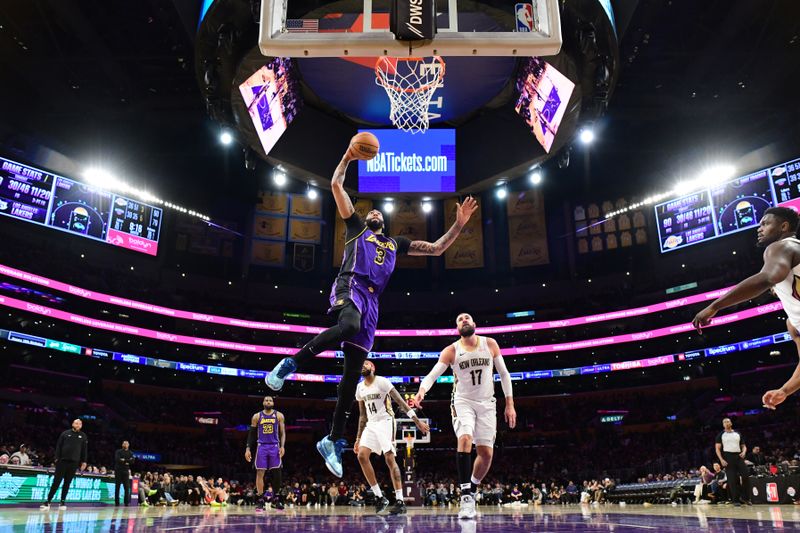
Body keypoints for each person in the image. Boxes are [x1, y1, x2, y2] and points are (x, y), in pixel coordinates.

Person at [265, 145, 478, 478]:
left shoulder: (395, 243)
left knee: (351, 379)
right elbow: (336, 186)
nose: (375, 212)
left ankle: (333, 440)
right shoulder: (355, 228)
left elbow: (436, 249)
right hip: (351, 286)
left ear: (385, 222)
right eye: (372, 211)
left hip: (373, 302)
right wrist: (348, 157)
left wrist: (459, 225)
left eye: (379, 213)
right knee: (348, 324)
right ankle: (292, 363)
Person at [692, 207, 800, 409]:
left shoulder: (781, 246)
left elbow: (767, 278)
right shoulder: (793, 322)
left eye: (765, 223)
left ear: (784, 226)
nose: (759, 228)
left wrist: (715, 306)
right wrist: (784, 390)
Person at [414, 312, 516, 519]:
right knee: (465, 438)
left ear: (474, 323)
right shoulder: (452, 350)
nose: (464, 320)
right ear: (457, 328)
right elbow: (433, 375)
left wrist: (510, 404)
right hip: (463, 402)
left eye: (467, 318)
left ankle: (473, 487)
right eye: (460, 320)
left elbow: (504, 374)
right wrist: (421, 391)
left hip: (487, 403)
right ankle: (466, 496)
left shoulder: (490, 343)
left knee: (486, 454)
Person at [353, 359, 429, 515]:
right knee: (361, 455)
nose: (362, 366)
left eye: (365, 364)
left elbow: (400, 402)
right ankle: (380, 497)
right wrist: (358, 438)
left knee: (389, 458)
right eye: (360, 364)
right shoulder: (359, 388)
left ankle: (400, 501)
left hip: (386, 421)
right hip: (371, 424)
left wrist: (417, 421)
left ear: (372, 367)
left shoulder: (382, 382)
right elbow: (362, 415)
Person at [245, 395, 285, 511]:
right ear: (263, 402)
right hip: (261, 446)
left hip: (274, 446)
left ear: (273, 403)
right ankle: (261, 500)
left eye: (270, 400)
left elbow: (282, 433)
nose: (268, 401)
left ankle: (276, 499)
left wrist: (282, 446)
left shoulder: (279, 415)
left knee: (277, 473)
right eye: (266, 400)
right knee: (260, 473)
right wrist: (248, 448)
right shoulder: (257, 416)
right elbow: (251, 434)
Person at [40, 419, 88, 511]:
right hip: (62, 461)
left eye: (80, 424)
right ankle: (48, 501)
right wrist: (56, 458)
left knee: (67, 483)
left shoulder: (83, 436)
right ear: (72, 424)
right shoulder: (65, 433)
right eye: (76, 423)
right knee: (56, 482)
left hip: (74, 463)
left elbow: (84, 450)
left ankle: (62, 502)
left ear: (81, 426)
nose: (78, 425)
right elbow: (58, 446)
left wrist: (84, 461)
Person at [714, 418, 750, 506]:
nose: (726, 423)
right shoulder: (720, 435)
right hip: (727, 457)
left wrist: (744, 452)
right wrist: (721, 460)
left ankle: (745, 498)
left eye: (728, 421)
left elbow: (744, 446)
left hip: (739, 456)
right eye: (724, 422)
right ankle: (736, 500)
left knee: (745, 475)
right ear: (723, 425)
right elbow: (717, 449)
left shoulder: (737, 433)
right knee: (733, 480)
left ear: (731, 423)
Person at [114, 440, 133, 506]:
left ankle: (126, 503)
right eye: (124, 444)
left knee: (127, 487)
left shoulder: (130, 452)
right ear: (122, 445)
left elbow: (132, 461)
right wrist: (127, 461)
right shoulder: (118, 451)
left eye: (126, 444)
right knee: (117, 487)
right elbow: (117, 459)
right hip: (118, 471)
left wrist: (123, 460)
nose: (125, 445)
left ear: (128, 445)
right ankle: (117, 502)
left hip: (126, 471)